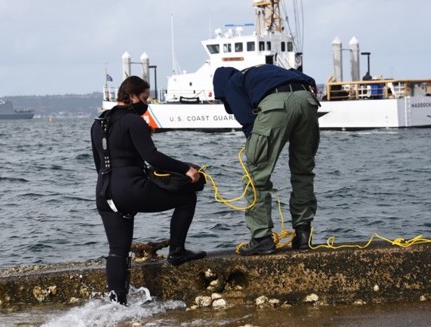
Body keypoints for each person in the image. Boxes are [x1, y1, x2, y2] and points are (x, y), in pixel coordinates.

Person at [91, 76, 206, 305]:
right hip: (131, 189)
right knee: (187, 197)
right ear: (132, 96)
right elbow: (152, 157)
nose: (147, 103)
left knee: (117, 251)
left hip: (104, 193)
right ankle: (177, 251)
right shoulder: (134, 121)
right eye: (144, 98)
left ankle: (117, 304)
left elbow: (98, 163)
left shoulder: (98, 123)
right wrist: (187, 169)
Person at [213, 64, 320, 256]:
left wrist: (255, 146)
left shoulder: (232, 84)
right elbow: (307, 78)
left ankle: (261, 238)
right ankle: (303, 235)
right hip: (307, 101)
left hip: (276, 105)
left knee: (255, 177)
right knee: (303, 171)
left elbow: (248, 122)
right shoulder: (265, 72)